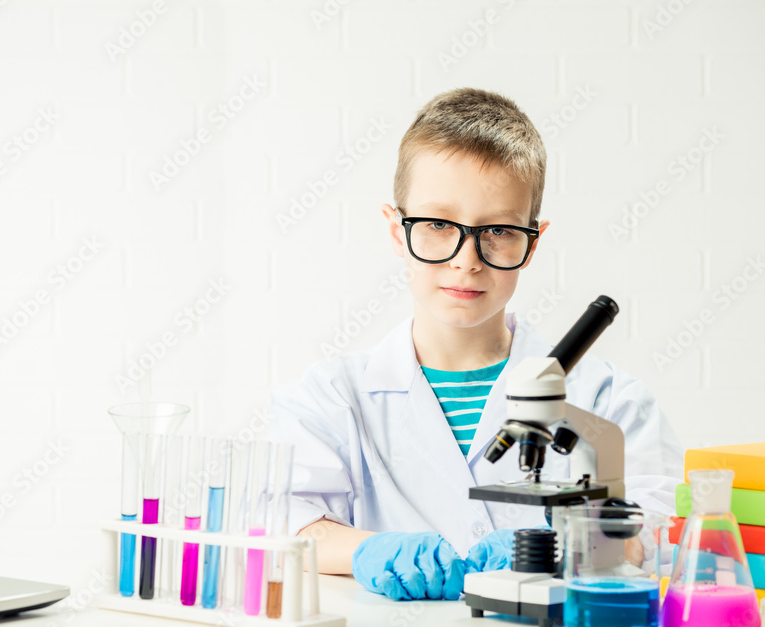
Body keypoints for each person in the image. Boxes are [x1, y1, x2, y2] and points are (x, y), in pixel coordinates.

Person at [268, 88, 684, 601]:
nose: (468, 259)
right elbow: (287, 521)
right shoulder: (330, 399)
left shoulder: (607, 399)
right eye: (439, 224)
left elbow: (662, 528)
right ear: (398, 231)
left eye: (500, 230)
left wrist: (572, 548)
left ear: (532, 241)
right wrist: (365, 550)